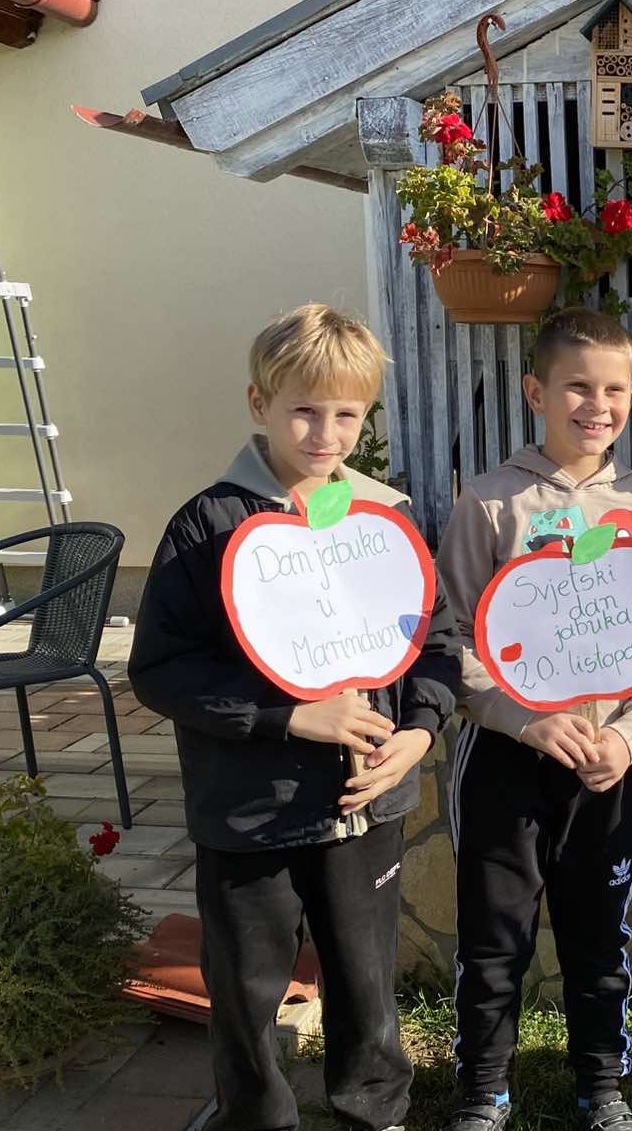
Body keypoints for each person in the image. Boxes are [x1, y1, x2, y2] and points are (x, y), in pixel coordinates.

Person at [130, 303, 457, 1131]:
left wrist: (418, 733)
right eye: (305, 410)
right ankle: (255, 1118)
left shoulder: (387, 520)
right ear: (259, 403)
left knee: (366, 985)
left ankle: (372, 1113)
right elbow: (162, 669)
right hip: (251, 813)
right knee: (246, 992)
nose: (326, 433)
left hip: (364, 808)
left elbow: (435, 642)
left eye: (347, 414)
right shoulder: (209, 525)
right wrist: (286, 717)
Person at [437, 307, 632, 1131]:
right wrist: (520, 718)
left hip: (607, 765)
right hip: (505, 760)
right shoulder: (489, 504)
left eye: (616, 390)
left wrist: (629, 734)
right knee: (494, 932)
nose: (598, 405)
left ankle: (601, 1085)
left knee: (599, 932)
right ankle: (484, 1089)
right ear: (534, 392)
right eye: (578, 386)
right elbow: (452, 641)